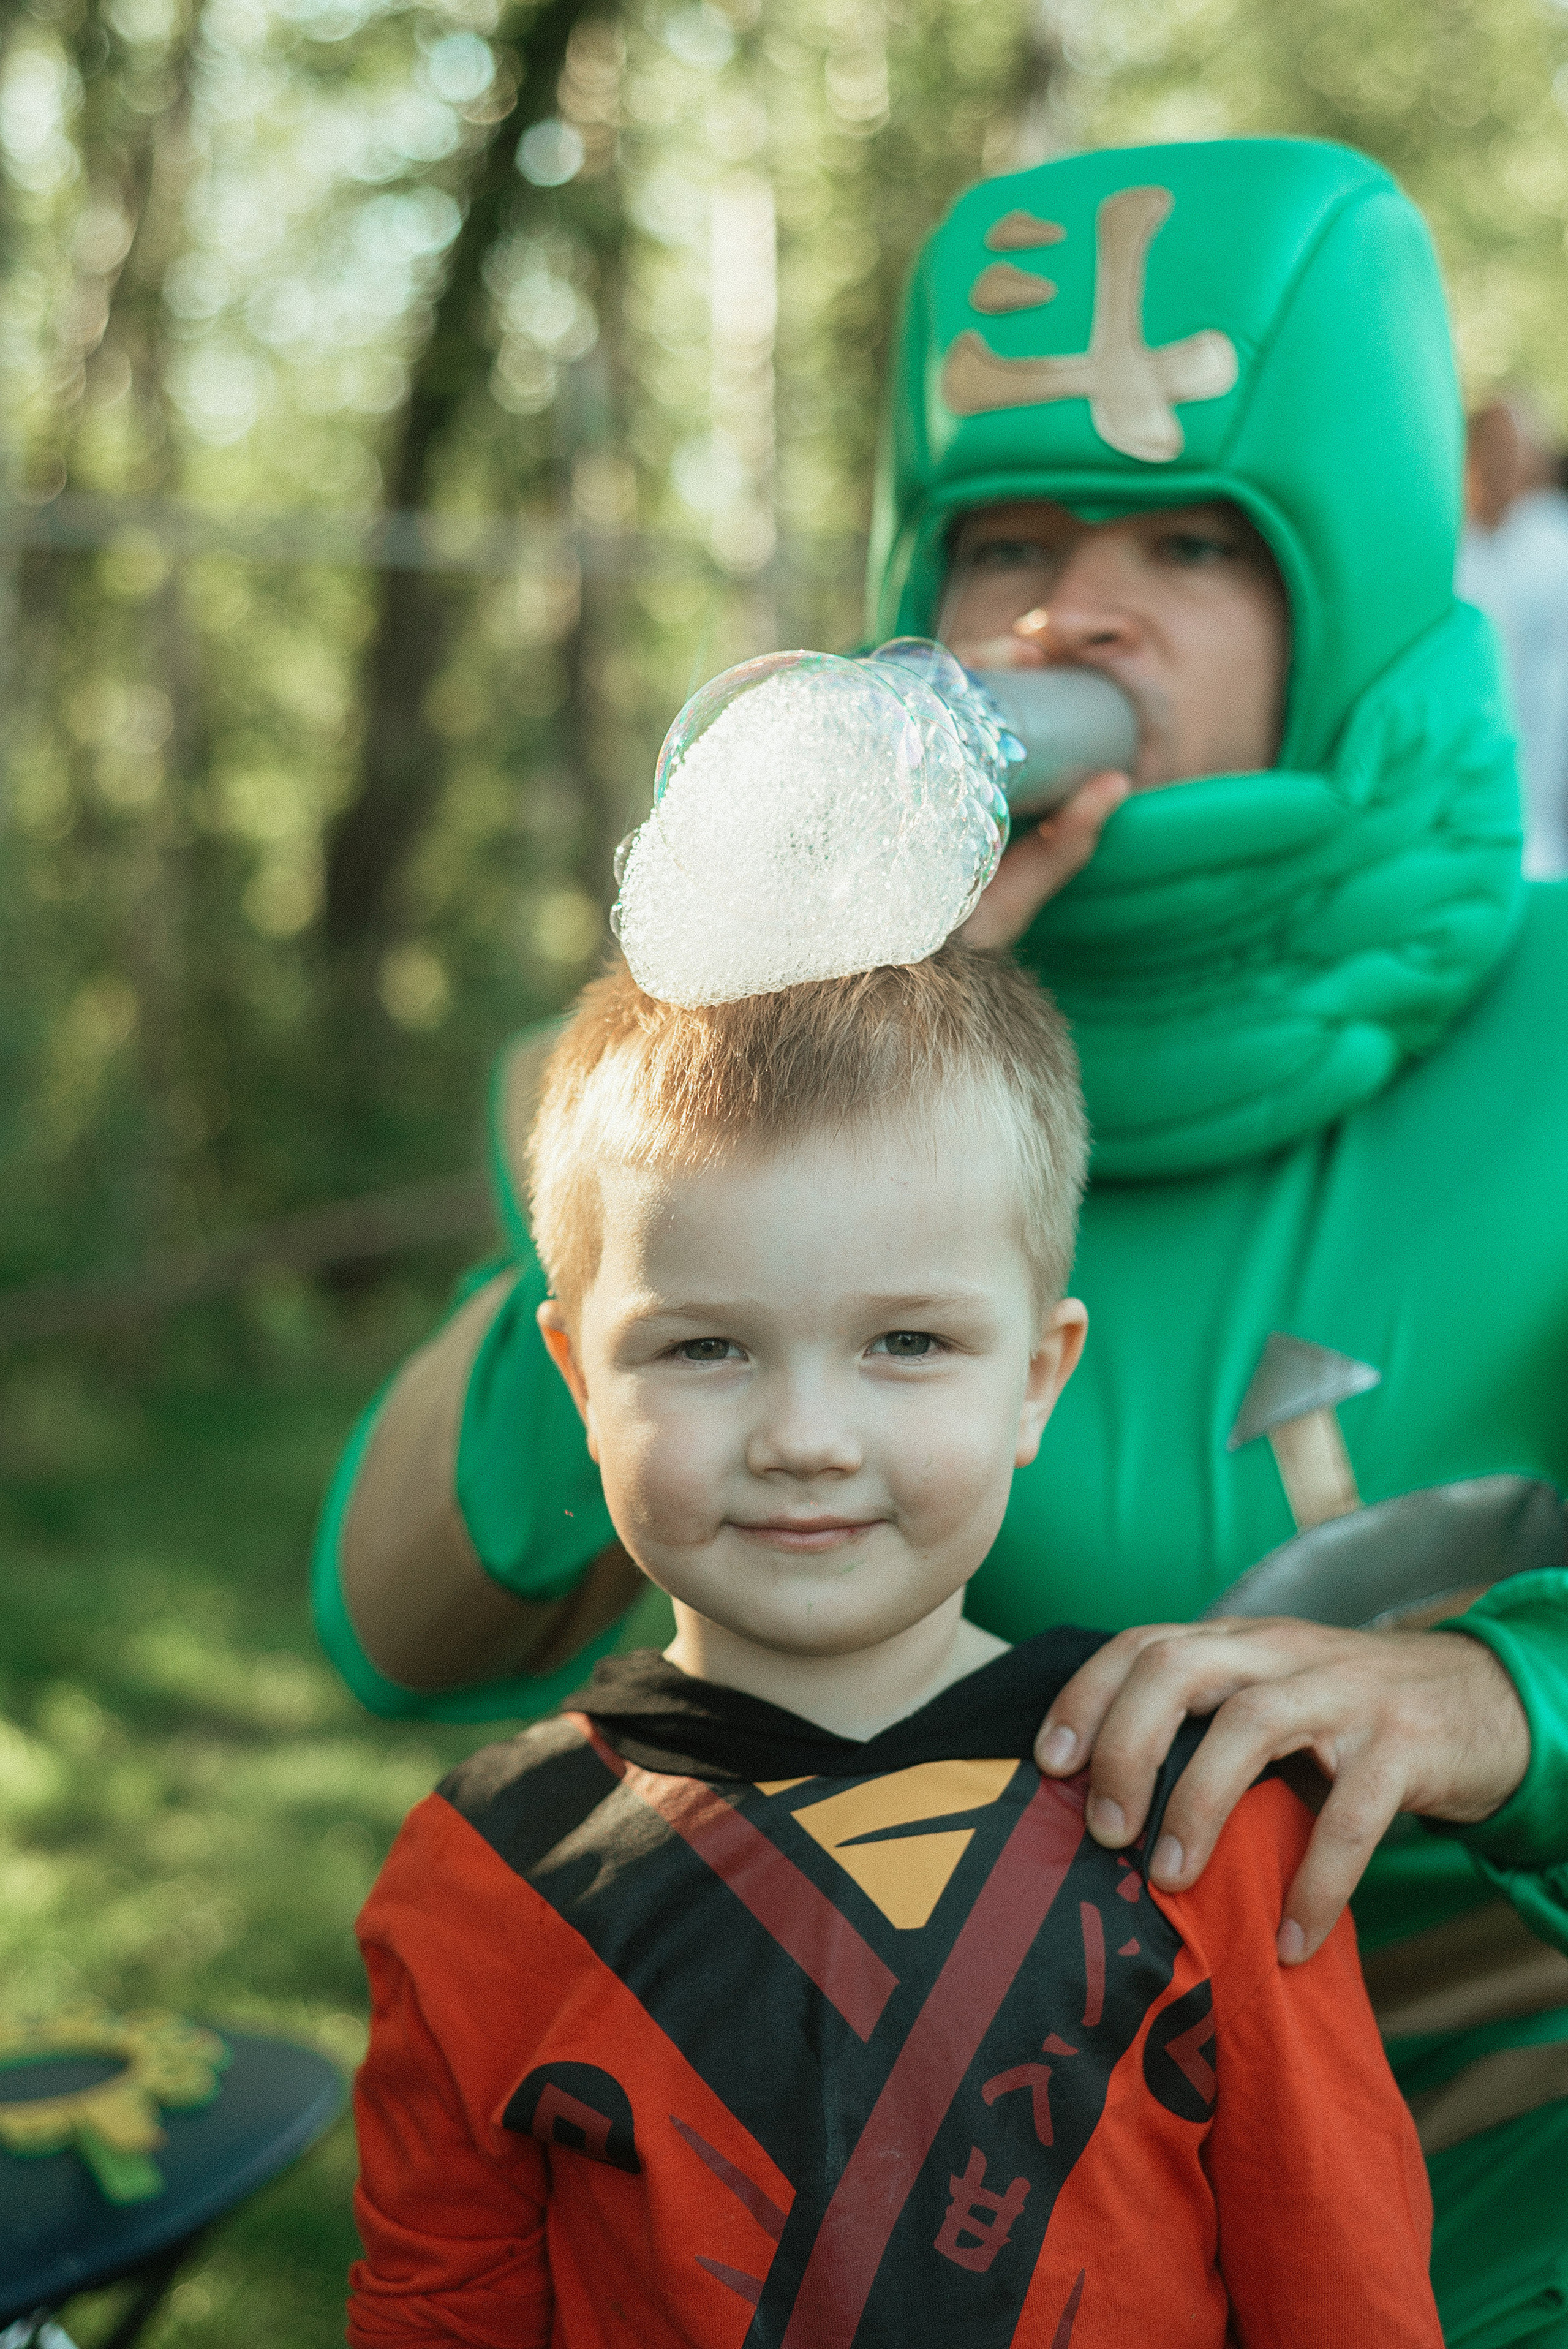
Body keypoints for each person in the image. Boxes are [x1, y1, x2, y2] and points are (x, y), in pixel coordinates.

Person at [317, 138, 1568, 2345]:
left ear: (1358, 580)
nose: (1073, 612)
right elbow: (394, 1618)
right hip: (885, 2212)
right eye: (1006, 538)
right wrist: (768, 1028)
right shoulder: (831, 1024)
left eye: (1189, 541)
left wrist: (1491, 1686)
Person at [349, 921, 1442, 2348]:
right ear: (575, 1372)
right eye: (703, 1346)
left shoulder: (1193, 1803)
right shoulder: (489, 1875)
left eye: (906, 1343)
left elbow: (1347, 2299)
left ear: (1036, 1376)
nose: (806, 1437)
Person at [1458, 396, 1568, 880]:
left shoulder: (1554, 544)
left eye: (1518, 452)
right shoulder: (1446, 546)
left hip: (1546, 790)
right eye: (1495, 450)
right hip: (1465, 788)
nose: (1507, 466)